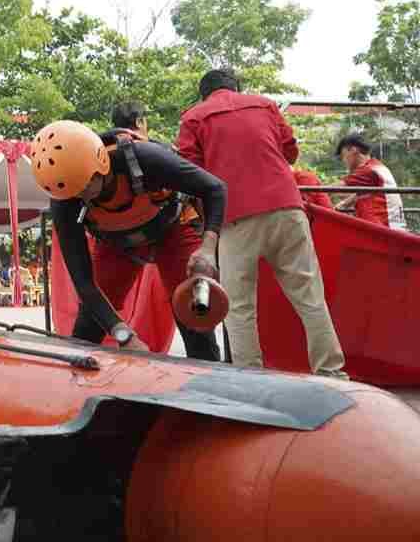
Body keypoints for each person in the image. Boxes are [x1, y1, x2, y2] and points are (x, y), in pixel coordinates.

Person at [177, 69, 346, 377]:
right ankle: (332, 373)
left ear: (204, 94)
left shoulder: (194, 118)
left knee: (239, 308)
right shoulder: (265, 105)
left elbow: (190, 175)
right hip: (287, 208)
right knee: (310, 297)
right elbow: (290, 152)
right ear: (237, 88)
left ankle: (249, 380)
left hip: (234, 218)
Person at [33, 121, 224, 359]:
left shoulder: (144, 158)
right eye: (73, 193)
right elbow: (84, 284)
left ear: (101, 164)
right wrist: (124, 335)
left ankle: (208, 379)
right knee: (90, 321)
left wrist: (208, 247)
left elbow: (215, 189)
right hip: (116, 245)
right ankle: (72, 381)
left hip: (171, 229)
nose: (81, 196)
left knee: (194, 311)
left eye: (85, 186)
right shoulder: (65, 199)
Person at [335, 134, 406, 230]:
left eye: (343, 156)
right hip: (392, 227)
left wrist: (310, 187)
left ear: (353, 150)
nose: (344, 160)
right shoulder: (376, 166)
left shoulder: (368, 170)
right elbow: (361, 194)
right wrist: (343, 205)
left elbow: (333, 189)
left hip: (384, 230)